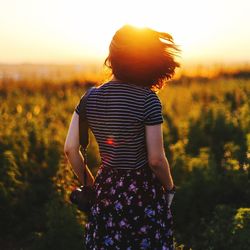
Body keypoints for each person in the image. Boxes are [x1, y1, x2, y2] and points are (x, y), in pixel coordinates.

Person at [64, 24, 180, 249]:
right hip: (143, 193)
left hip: (105, 191)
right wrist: (170, 188)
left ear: (112, 57)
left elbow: (70, 149)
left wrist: (94, 186)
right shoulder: (148, 100)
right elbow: (156, 160)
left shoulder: (88, 98)